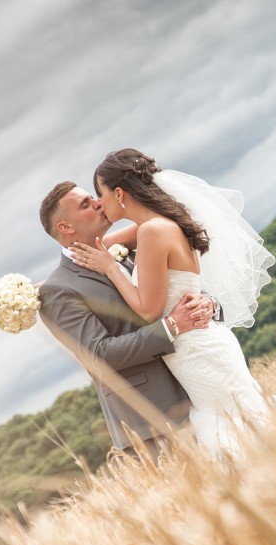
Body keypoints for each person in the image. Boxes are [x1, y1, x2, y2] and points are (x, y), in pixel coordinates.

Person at [69, 148, 274, 460]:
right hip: (202, 344)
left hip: (196, 350)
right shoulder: (153, 225)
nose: (99, 203)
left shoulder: (152, 231)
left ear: (120, 193)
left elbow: (148, 310)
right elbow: (95, 246)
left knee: (236, 431)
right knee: (242, 425)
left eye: (100, 193)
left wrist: (110, 268)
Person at [38, 180, 219, 460]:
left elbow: (173, 294)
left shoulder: (129, 249)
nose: (98, 202)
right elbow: (99, 354)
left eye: (93, 197)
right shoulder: (57, 290)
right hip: (154, 420)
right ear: (66, 228)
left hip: (202, 387)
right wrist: (171, 326)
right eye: (86, 204)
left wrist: (207, 303)